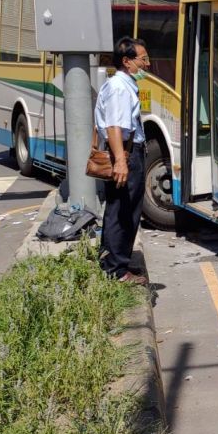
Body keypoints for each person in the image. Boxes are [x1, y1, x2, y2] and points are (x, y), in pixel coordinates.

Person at [94, 37, 150, 285]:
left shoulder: (121, 85)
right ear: (127, 61)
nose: (147, 64)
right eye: (143, 59)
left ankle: (113, 263)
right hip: (126, 153)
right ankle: (116, 270)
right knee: (124, 212)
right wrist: (120, 161)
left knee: (119, 209)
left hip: (126, 152)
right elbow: (114, 126)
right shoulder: (119, 87)